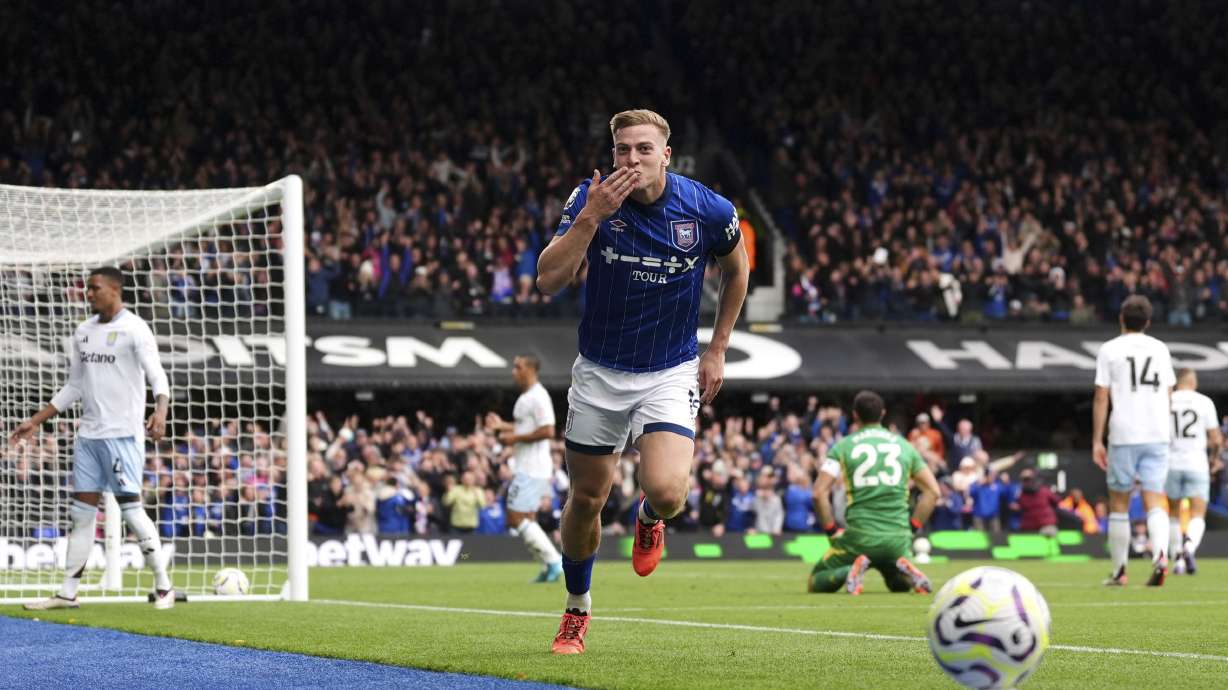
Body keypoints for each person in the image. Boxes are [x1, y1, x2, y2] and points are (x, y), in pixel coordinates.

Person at [535, 108, 749, 653]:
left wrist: (717, 348)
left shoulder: (707, 208)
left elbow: (738, 269)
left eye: (643, 149)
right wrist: (590, 218)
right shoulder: (592, 198)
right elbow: (547, 280)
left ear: (666, 155)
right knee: (587, 498)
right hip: (601, 370)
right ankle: (577, 608)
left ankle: (651, 518)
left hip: (670, 368)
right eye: (622, 150)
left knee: (669, 492)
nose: (631, 159)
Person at [11, 266, 175, 610]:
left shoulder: (135, 329)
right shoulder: (84, 331)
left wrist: (160, 412)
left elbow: (158, 377)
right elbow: (75, 385)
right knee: (81, 514)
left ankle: (163, 584)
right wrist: (36, 421)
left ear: (114, 289)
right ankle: (67, 593)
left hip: (123, 437)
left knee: (130, 511)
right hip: (89, 437)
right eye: (87, 289)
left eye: (94, 288)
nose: (88, 294)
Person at [808, 390, 940, 595]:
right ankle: (906, 572)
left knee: (815, 580)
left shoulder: (843, 446)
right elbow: (933, 492)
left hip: (860, 537)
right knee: (898, 585)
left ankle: (848, 571)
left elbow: (818, 493)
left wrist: (831, 530)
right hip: (897, 537)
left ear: (855, 415)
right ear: (883, 413)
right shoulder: (905, 447)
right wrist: (910, 529)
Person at [1092, 295, 1175, 586]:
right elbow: (1168, 392)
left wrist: (1096, 440)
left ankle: (1119, 572)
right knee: (1155, 498)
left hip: (1125, 433)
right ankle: (1161, 554)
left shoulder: (1110, 349)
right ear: (1148, 322)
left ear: (1121, 318)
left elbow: (1102, 396)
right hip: (1157, 433)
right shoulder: (1160, 349)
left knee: (1119, 503)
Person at [485, 354, 563, 582]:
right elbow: (525, 426)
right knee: (527, 518)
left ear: (530, 369)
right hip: (529, 465)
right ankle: (548, 566)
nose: (513, 371)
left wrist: (514, 438)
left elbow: (548, 430)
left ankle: (554, 561)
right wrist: (503, 426)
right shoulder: (526, 398)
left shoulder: (539, 396)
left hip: (532, 467)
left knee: (515, 518)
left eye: (517, 367)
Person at [1165, 368, 1221, 575]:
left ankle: (1177, 561)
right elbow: (1215, 438)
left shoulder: (1167, 400)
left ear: (1177, 382)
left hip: (1170, 463)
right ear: (1193, 382)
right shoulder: (1204, 402)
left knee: (1172, 514)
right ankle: (1188, 548)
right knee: (1198, 514)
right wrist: (1214, 460)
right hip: (1196, 463)